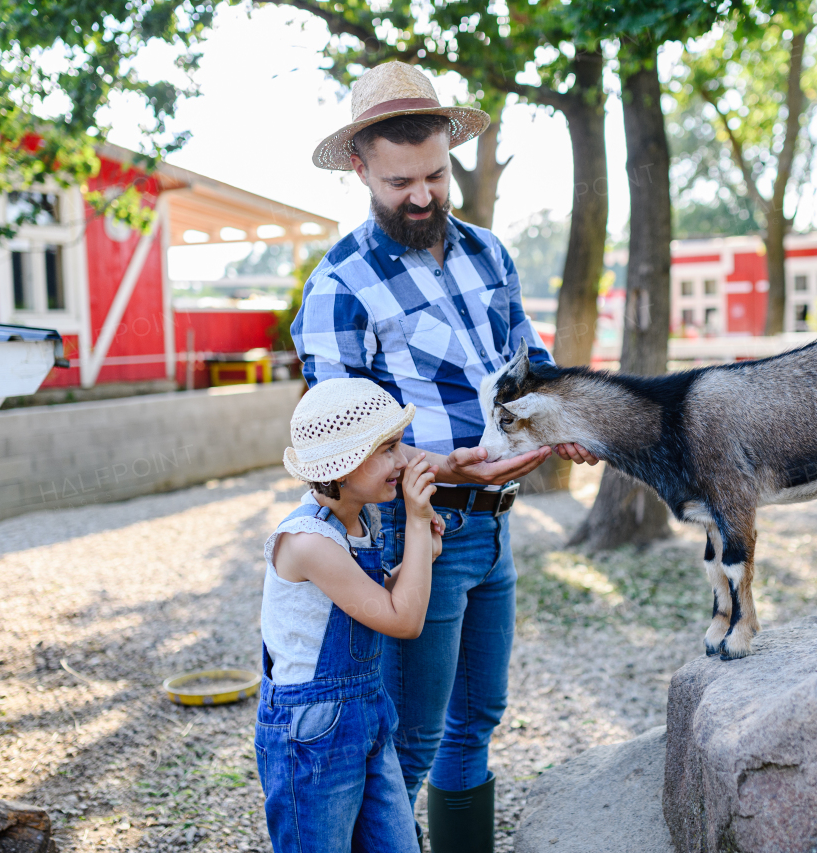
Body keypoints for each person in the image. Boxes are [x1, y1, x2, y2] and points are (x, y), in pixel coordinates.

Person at [294, 60, 598, 852]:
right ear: (360, 168)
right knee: (410, 746)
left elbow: (525, 357)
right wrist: (449, 465)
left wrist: (560, 417)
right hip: (416, 534)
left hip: (495, 525)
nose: (423, 195)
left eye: (434, 173)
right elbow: (339, 445)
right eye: (401, 182)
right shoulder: (339, 286)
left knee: (477, 724)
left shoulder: (488, 253)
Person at [256, 378, 446, 852]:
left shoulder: (359, 521)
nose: (403, 461)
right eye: (388, 449)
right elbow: (403, 621)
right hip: (313, 728)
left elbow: (372, 600)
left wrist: (425, 552)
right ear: (342, 465)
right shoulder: (308, 542)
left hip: (366, 710)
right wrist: (418, 524)